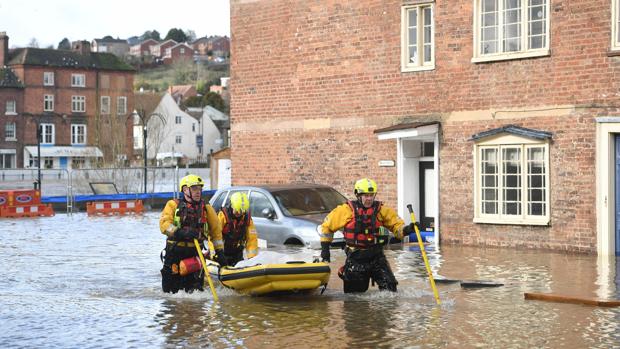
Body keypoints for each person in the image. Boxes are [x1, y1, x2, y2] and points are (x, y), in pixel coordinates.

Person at [319, 178, 416, 293]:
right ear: (358, 195)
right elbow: (326, 227)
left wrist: (407, 229)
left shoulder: (382, 210)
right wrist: (325, 250)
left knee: (390, 289)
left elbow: (397, 227)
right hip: (356, 258)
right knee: (354, 298)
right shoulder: (345, 210)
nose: (369, 198)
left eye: (371, 195)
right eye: (366, 195)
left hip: (377, 257)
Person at [159, 174, 226, 294]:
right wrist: (181, 232)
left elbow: (216, 232)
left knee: (195, 293)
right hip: (175, 253)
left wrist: (220, 252)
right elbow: (164, 225)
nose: (198, 192)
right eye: (194, 188)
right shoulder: (173, 205)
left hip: (195, 254)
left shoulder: (206, 209)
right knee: (170, 294)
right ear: (185, 190)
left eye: (200, 189)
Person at [218, 192, 259, 266]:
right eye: (237, 210)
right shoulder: (223, 216)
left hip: (236, 253)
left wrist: (253, 260)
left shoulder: (247, 219)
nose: (238, 213)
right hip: (222, 253)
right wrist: (216, 253)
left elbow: (252, 240)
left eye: (241, 211)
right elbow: (214, 236)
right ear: (231, 205)